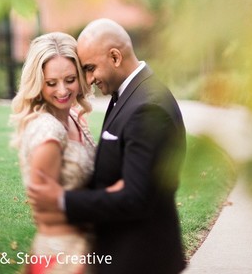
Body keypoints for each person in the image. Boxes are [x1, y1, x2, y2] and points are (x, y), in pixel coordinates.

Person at [28, 18, 187, 274]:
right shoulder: (131, 94)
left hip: (140, 259)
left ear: (115, 57)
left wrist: (63, 200)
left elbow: (135, 199)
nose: (88, 79)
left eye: (90, 68)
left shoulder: (147, 107)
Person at [10, 32, 97, 274]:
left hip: (87, 250)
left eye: (70, 79)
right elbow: (46, 212)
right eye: (51, 83)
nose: (62, 91)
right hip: (63, 256)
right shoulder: (47, 130)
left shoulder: (73, 117)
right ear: (38, 83)